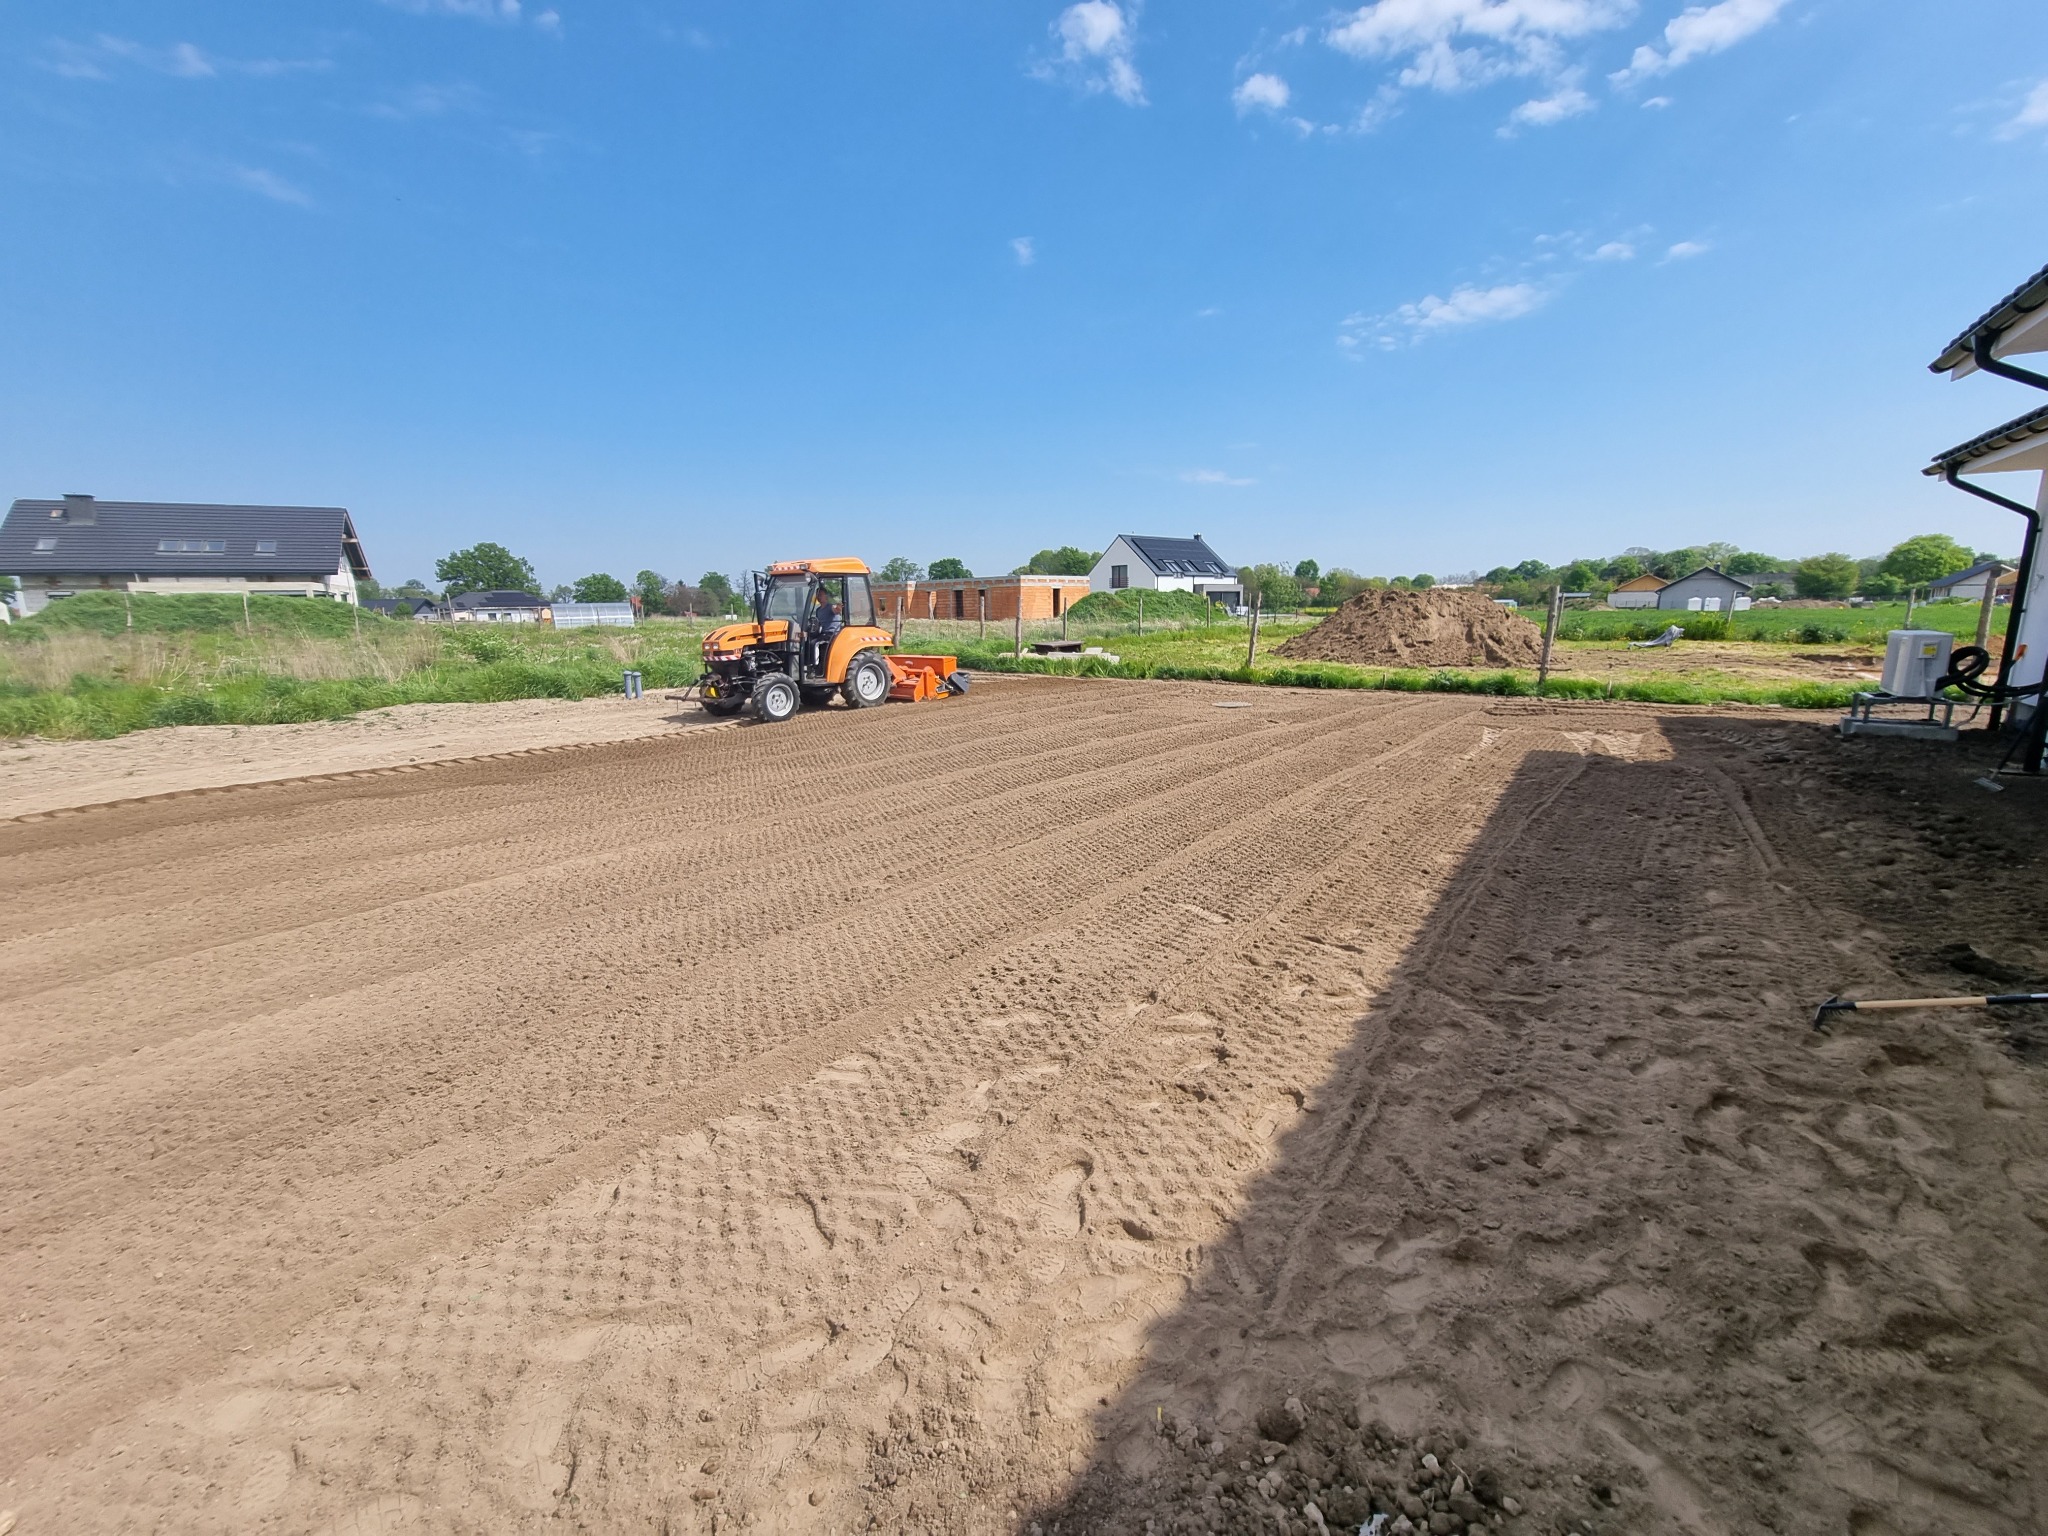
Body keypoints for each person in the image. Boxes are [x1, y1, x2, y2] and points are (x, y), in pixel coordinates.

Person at [808, 582, 842, 673]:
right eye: (817, 595)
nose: (819, 597)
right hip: (822, 632)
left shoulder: (830, 606)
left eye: (821, 595)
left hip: (831, 633)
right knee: (807, 640)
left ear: (826, 596)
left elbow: (836, 611)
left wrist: (838, 607)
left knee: (814, 643)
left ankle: (815, 667)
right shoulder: (818, 610)